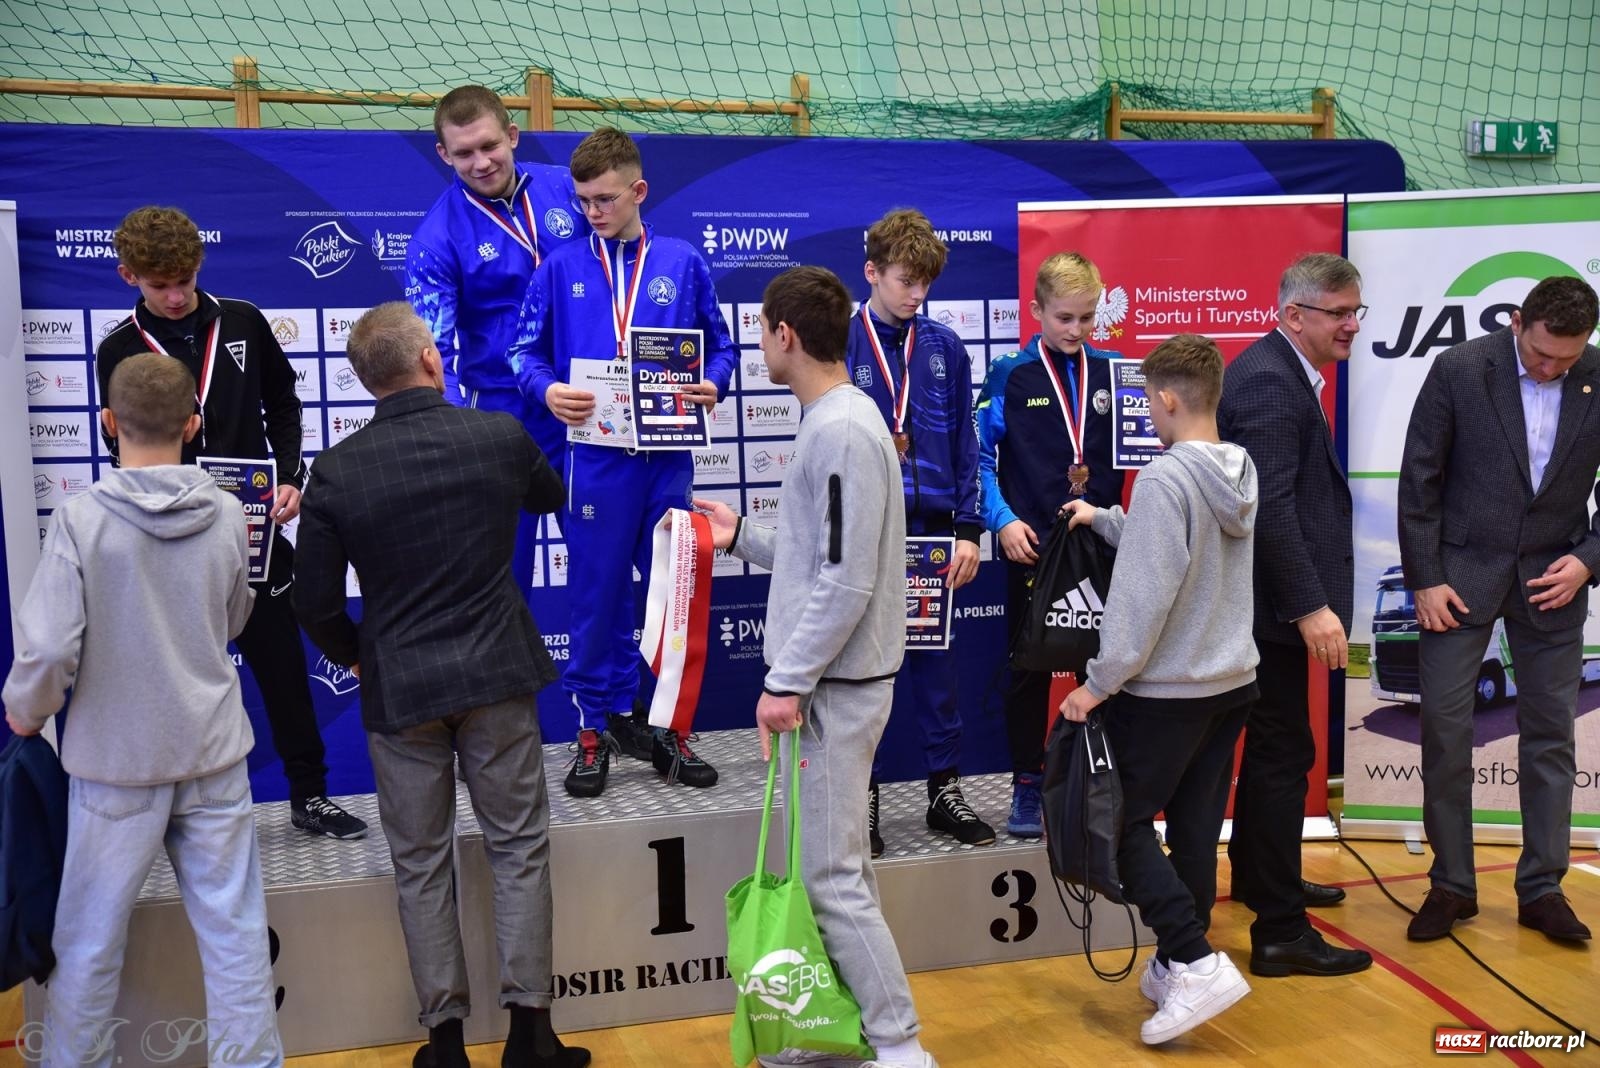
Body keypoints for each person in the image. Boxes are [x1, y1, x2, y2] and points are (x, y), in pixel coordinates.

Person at [292, 303, 589, 1068]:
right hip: (496, 676)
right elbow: (552, 498)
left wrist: (361, 653)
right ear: (431, 359)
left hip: (402, 690)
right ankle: (531, 1036)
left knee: (421, 863)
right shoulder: (495, 434)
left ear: (364, 382)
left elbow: (314, 601)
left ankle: (446, 1045)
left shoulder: (339, 470)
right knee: (518, 848)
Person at [4, 353, 282, 1068]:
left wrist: (25, 714)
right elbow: (233, 618)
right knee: (236, 937)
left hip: (116, 766)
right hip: (213, 754)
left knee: (89, 944)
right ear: (194, 424)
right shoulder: (226, 513)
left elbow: (47, 650)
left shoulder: (79, 520)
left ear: (107, 421)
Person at [695, 265, 935, 1068]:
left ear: (785, 336)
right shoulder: (843, 420)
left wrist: (786, 681)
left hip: (835, 688)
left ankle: (899, 1047)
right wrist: (740, 537)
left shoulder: (837, 430)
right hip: (836, 682)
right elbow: (819, 556)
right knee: (836, 872)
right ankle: (848, 1033)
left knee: (830, 880)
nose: (759, 344)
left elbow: (846, 581)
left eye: (762, 331)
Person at [96, 205, 367, 841]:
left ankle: (311, 794)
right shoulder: (118, 349)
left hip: (252, 534)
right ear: (127, 275)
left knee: (281, 666)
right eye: (160, 284)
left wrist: (294, 476)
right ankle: (166, 807)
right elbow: (121, 445)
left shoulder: (241, 320)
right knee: (171, 677)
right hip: (171, 539)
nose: (175, 295)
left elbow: (284, 401)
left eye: (185, 280)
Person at [510, 126, 737, 798]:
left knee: (675, 598)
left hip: (665, 462)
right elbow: (522, 356)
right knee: (596, 598)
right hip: (595, 465)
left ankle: (668, 729)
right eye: (583, 201)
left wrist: (715, 383)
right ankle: (592, 731)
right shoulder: (558, 267)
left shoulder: (682, 261)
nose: (592, 212)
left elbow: (720, 350)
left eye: (605, 198)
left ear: (638, 191)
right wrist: (548, 390)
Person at [1061, 333, 1258, 1045]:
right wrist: (1107, 519)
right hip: (1232, 680)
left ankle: (1196, 959)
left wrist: (1096, 684)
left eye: (1149, 399)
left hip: (1167, 691)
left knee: (1118, 826)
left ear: (1167, 400)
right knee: (1198, 831)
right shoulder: (1238, 468)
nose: (1148, 409)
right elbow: (1182, 540)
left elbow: (1143, 599)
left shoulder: (1166, 478)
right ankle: (1181, 960)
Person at [1397, 275, 1600, 944]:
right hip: (1460, 577)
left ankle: (1543, 888)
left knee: (1550, 739)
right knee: (1447, 734)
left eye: (1567, 362)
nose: (1551, 370)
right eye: (1542, 356)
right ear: (1519, 322)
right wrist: (1425, 579)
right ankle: (1452, 884)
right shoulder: (1459, 369)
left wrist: (1589, 560)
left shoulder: (1595, 374)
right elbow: (1420, 478)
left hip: (1554, 577)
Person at [1216, 252, 1371, 977]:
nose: (1351, 325)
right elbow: (1268, 508)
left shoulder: (1280, 372)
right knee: (1283, 759)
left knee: (1280, 754)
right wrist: (1310, 604)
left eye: (1354, 311)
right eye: (1338, 313)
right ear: (1292, 316)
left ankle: (1258, 877)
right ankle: (1279, 932)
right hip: (1268, 613)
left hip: (1263, 611)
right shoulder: (1274, 385)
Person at [407, 85, 588, 612]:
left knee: (603, 566)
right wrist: (461, 435)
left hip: (592, 405)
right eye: (463, 153)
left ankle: (608, 696)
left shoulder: (569, 189)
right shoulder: (434, 240)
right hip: (506, 418)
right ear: (443, 154)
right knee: (501, 584)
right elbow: (431, 356)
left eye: (490, 146)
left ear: (512, 135)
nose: (481, 162)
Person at [846, 209, 991, 855]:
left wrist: (969, 529)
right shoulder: (840, 342)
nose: (917, 295)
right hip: (867, 533)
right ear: (872, 271)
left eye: (926, 283)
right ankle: (864, 797)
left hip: (933, 531)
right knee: (862, 674)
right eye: (906, 281)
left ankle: (943, 790)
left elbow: (966, 443)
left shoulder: (945, 347)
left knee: (937, 672)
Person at [975, 252, 1123, 840]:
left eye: (1088, 317)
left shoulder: (1116, 372)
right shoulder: (1009, 374)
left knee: (1110, 661)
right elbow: (978, 460)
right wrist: (1003, 521)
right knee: (1027, 669)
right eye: (1064, 317)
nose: (1077, 330)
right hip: (1032, 549)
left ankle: (1102, 781)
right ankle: (1027, 784)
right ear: (1035, 311)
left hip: (1101, 544)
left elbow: (1150, 454)